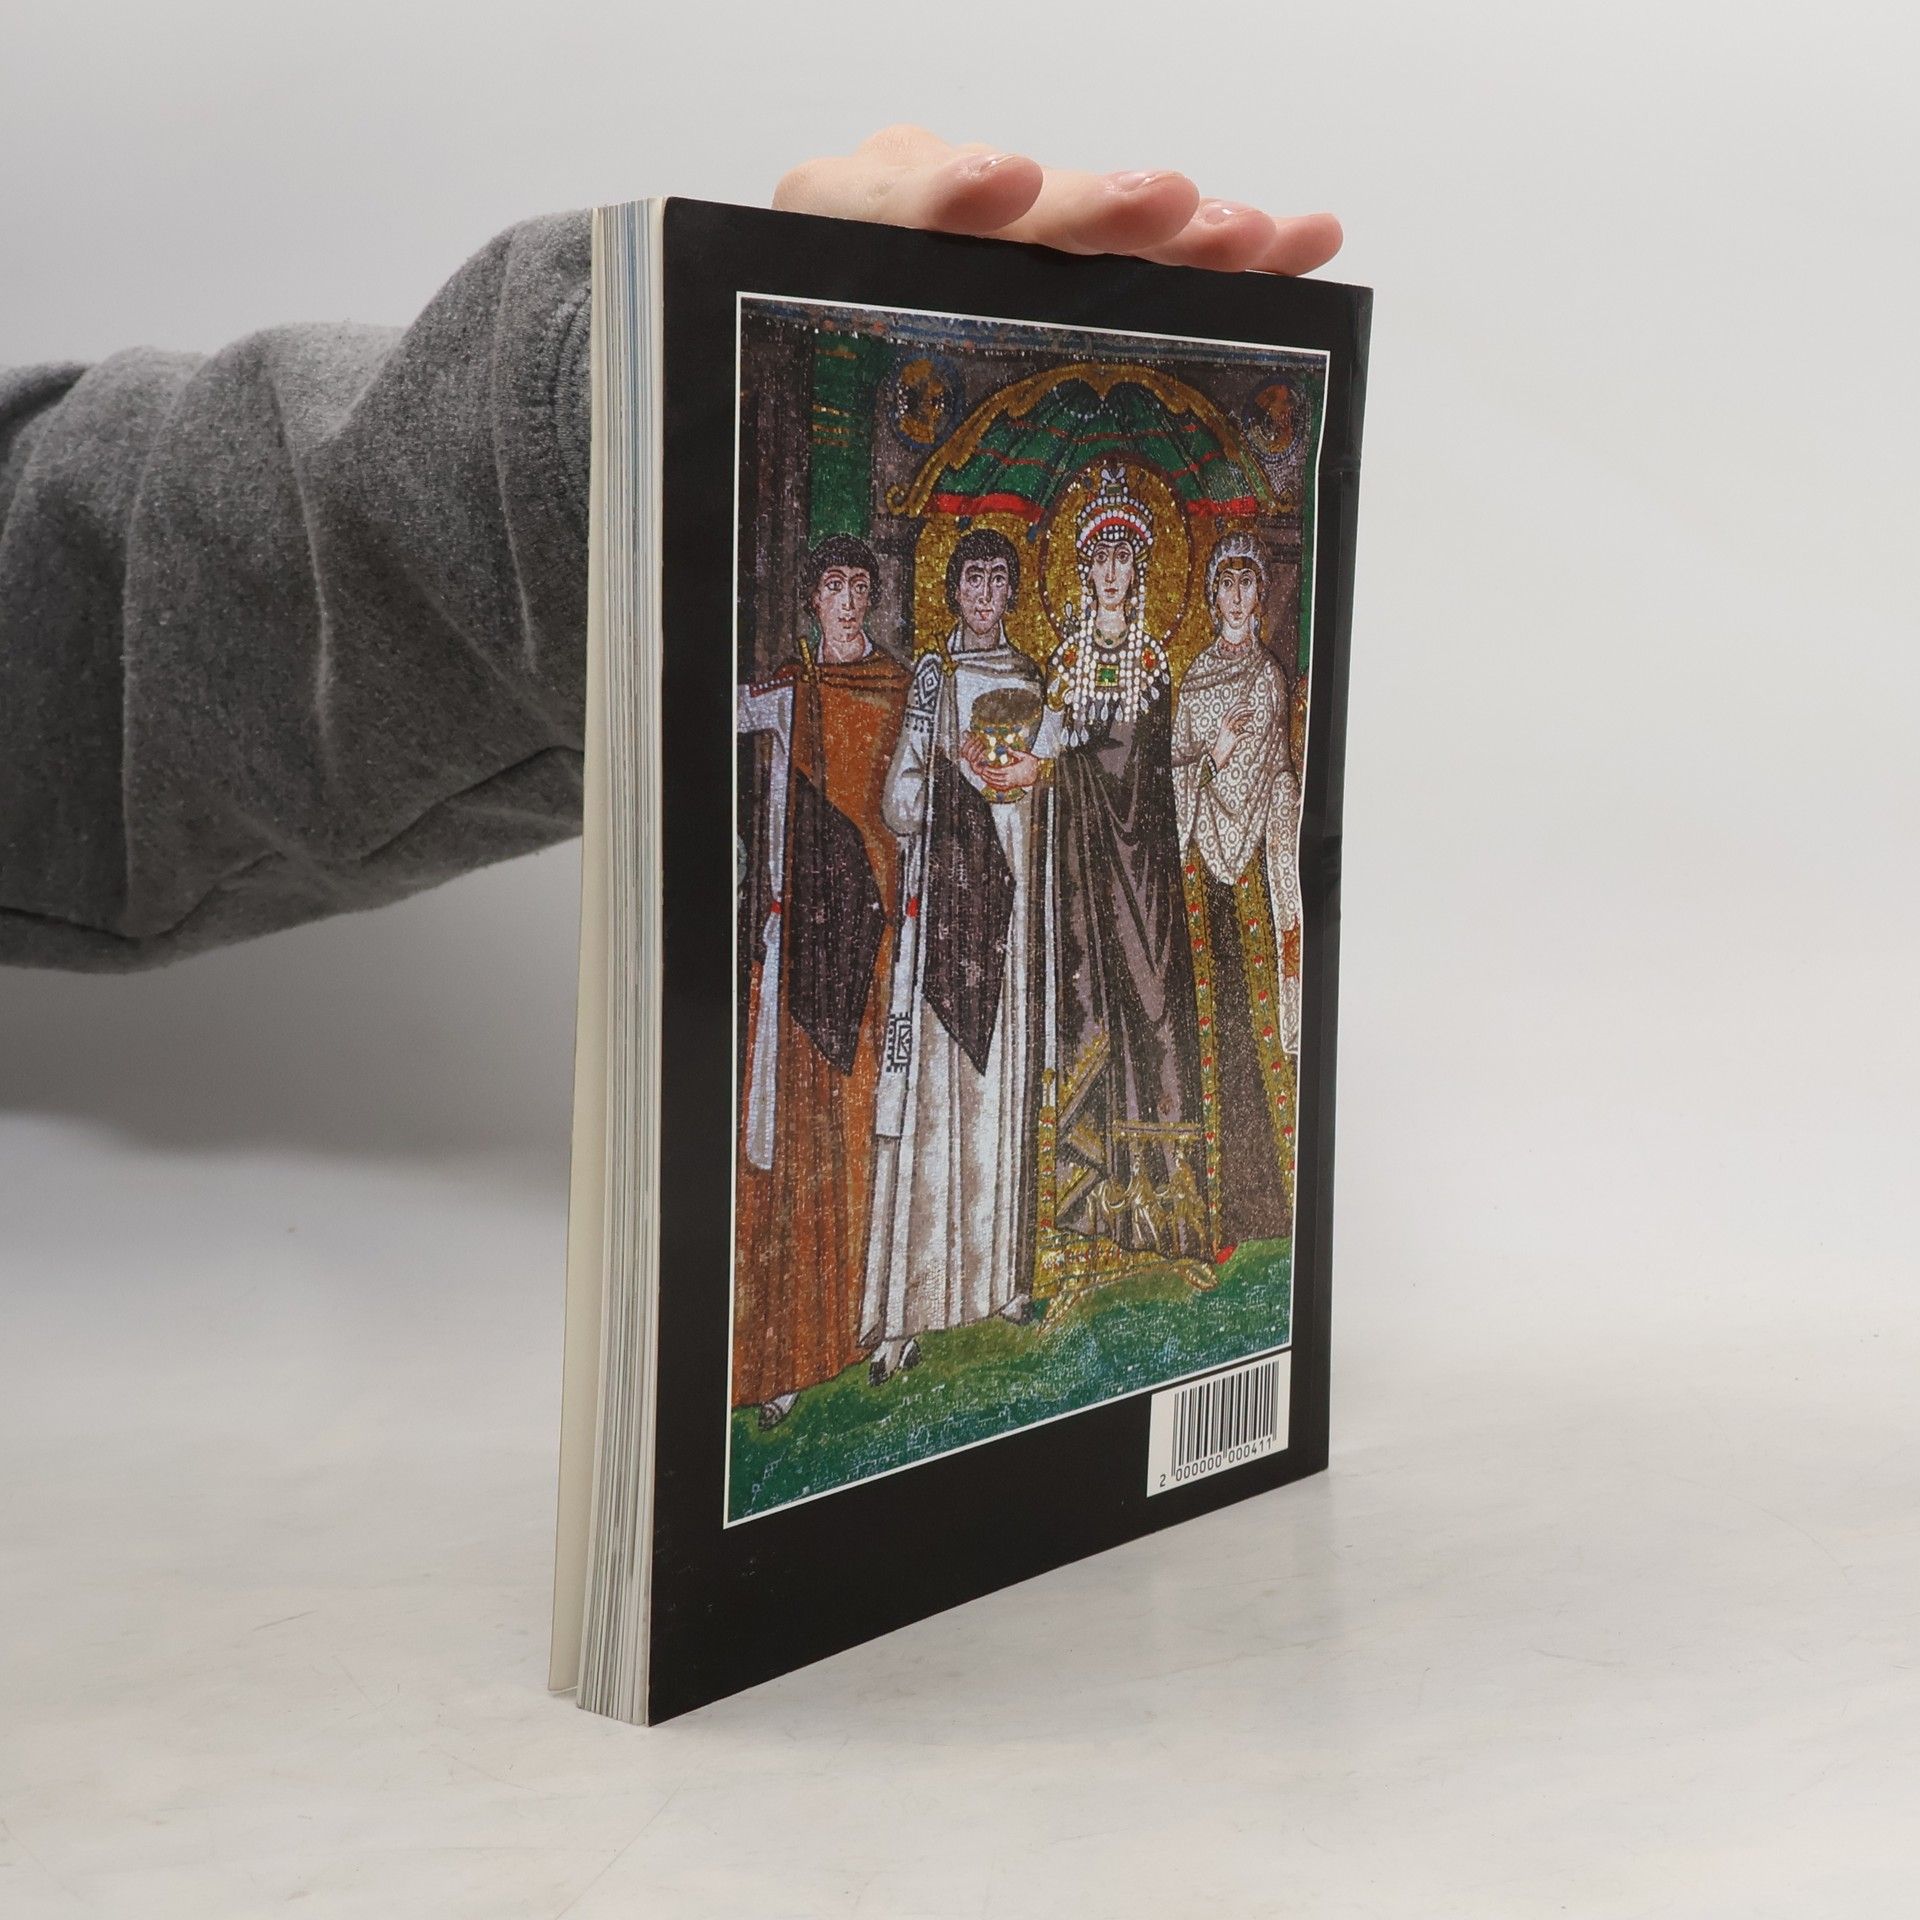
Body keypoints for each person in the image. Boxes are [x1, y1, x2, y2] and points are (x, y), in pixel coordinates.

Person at [0, 127, 1341, 970]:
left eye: (1122, 567)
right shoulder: (936, 675)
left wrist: (619, 455)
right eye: (1082, 563)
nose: (1101, 580)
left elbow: (73, 612)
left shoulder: (1113, 658)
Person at [860, 527, 1056, 1382]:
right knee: (936, 1104)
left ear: (1011, 591)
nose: (984, 592)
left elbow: (1047, 795)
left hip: (1005, 914)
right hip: (946, 914)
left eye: (997, 578)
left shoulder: (1031, 681)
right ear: (955, 589)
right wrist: (957, 773)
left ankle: (998, 1280)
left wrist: (1030, 779)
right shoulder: (935, 679)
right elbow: (899, 802)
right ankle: (910, 1310)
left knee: (996, 1091)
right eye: (972, 577)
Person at [734, 537, 909, 1424]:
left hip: (874, 944)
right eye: (833, 586)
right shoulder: (788, 689)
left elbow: (920, 802)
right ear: (811, 598)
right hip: (802, 945)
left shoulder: (899, 687)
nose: (847, 600)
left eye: (860, 586)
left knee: (869, 1129)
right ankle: (790, 1348)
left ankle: (870, 1320)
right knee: (794, 1142)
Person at [1036, 466, 1209, 1263]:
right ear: (1085, 569)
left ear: (1140, 570)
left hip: (1145, 874)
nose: (1111, 571)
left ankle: (1165, 1200)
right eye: (1100, 557)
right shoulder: (1067, 660)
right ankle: (1093, 1206)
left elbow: (1152, 769)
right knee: (1090, 1004)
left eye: (1123, 557)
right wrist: (1058, 751)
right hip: (1087, 870)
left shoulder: (1152, 661)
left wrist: (1087, 752)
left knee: (1155, 1003)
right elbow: (1054, 758)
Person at [1169, 531, 1303, 1245]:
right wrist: (1206, 757)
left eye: (1247, 584)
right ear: (1211, 594)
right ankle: (1214, 1207)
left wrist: (1214, 762)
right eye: (1225, 583)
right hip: (1201, 871)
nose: (1236, 597)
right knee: (1209, 1025)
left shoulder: (1266, 678)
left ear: (1260, 595)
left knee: (1254, 1024)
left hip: (1249, 869)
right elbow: (1176, 766)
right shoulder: (1195, 676)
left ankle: (1270, 1203)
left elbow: (1254, 771)